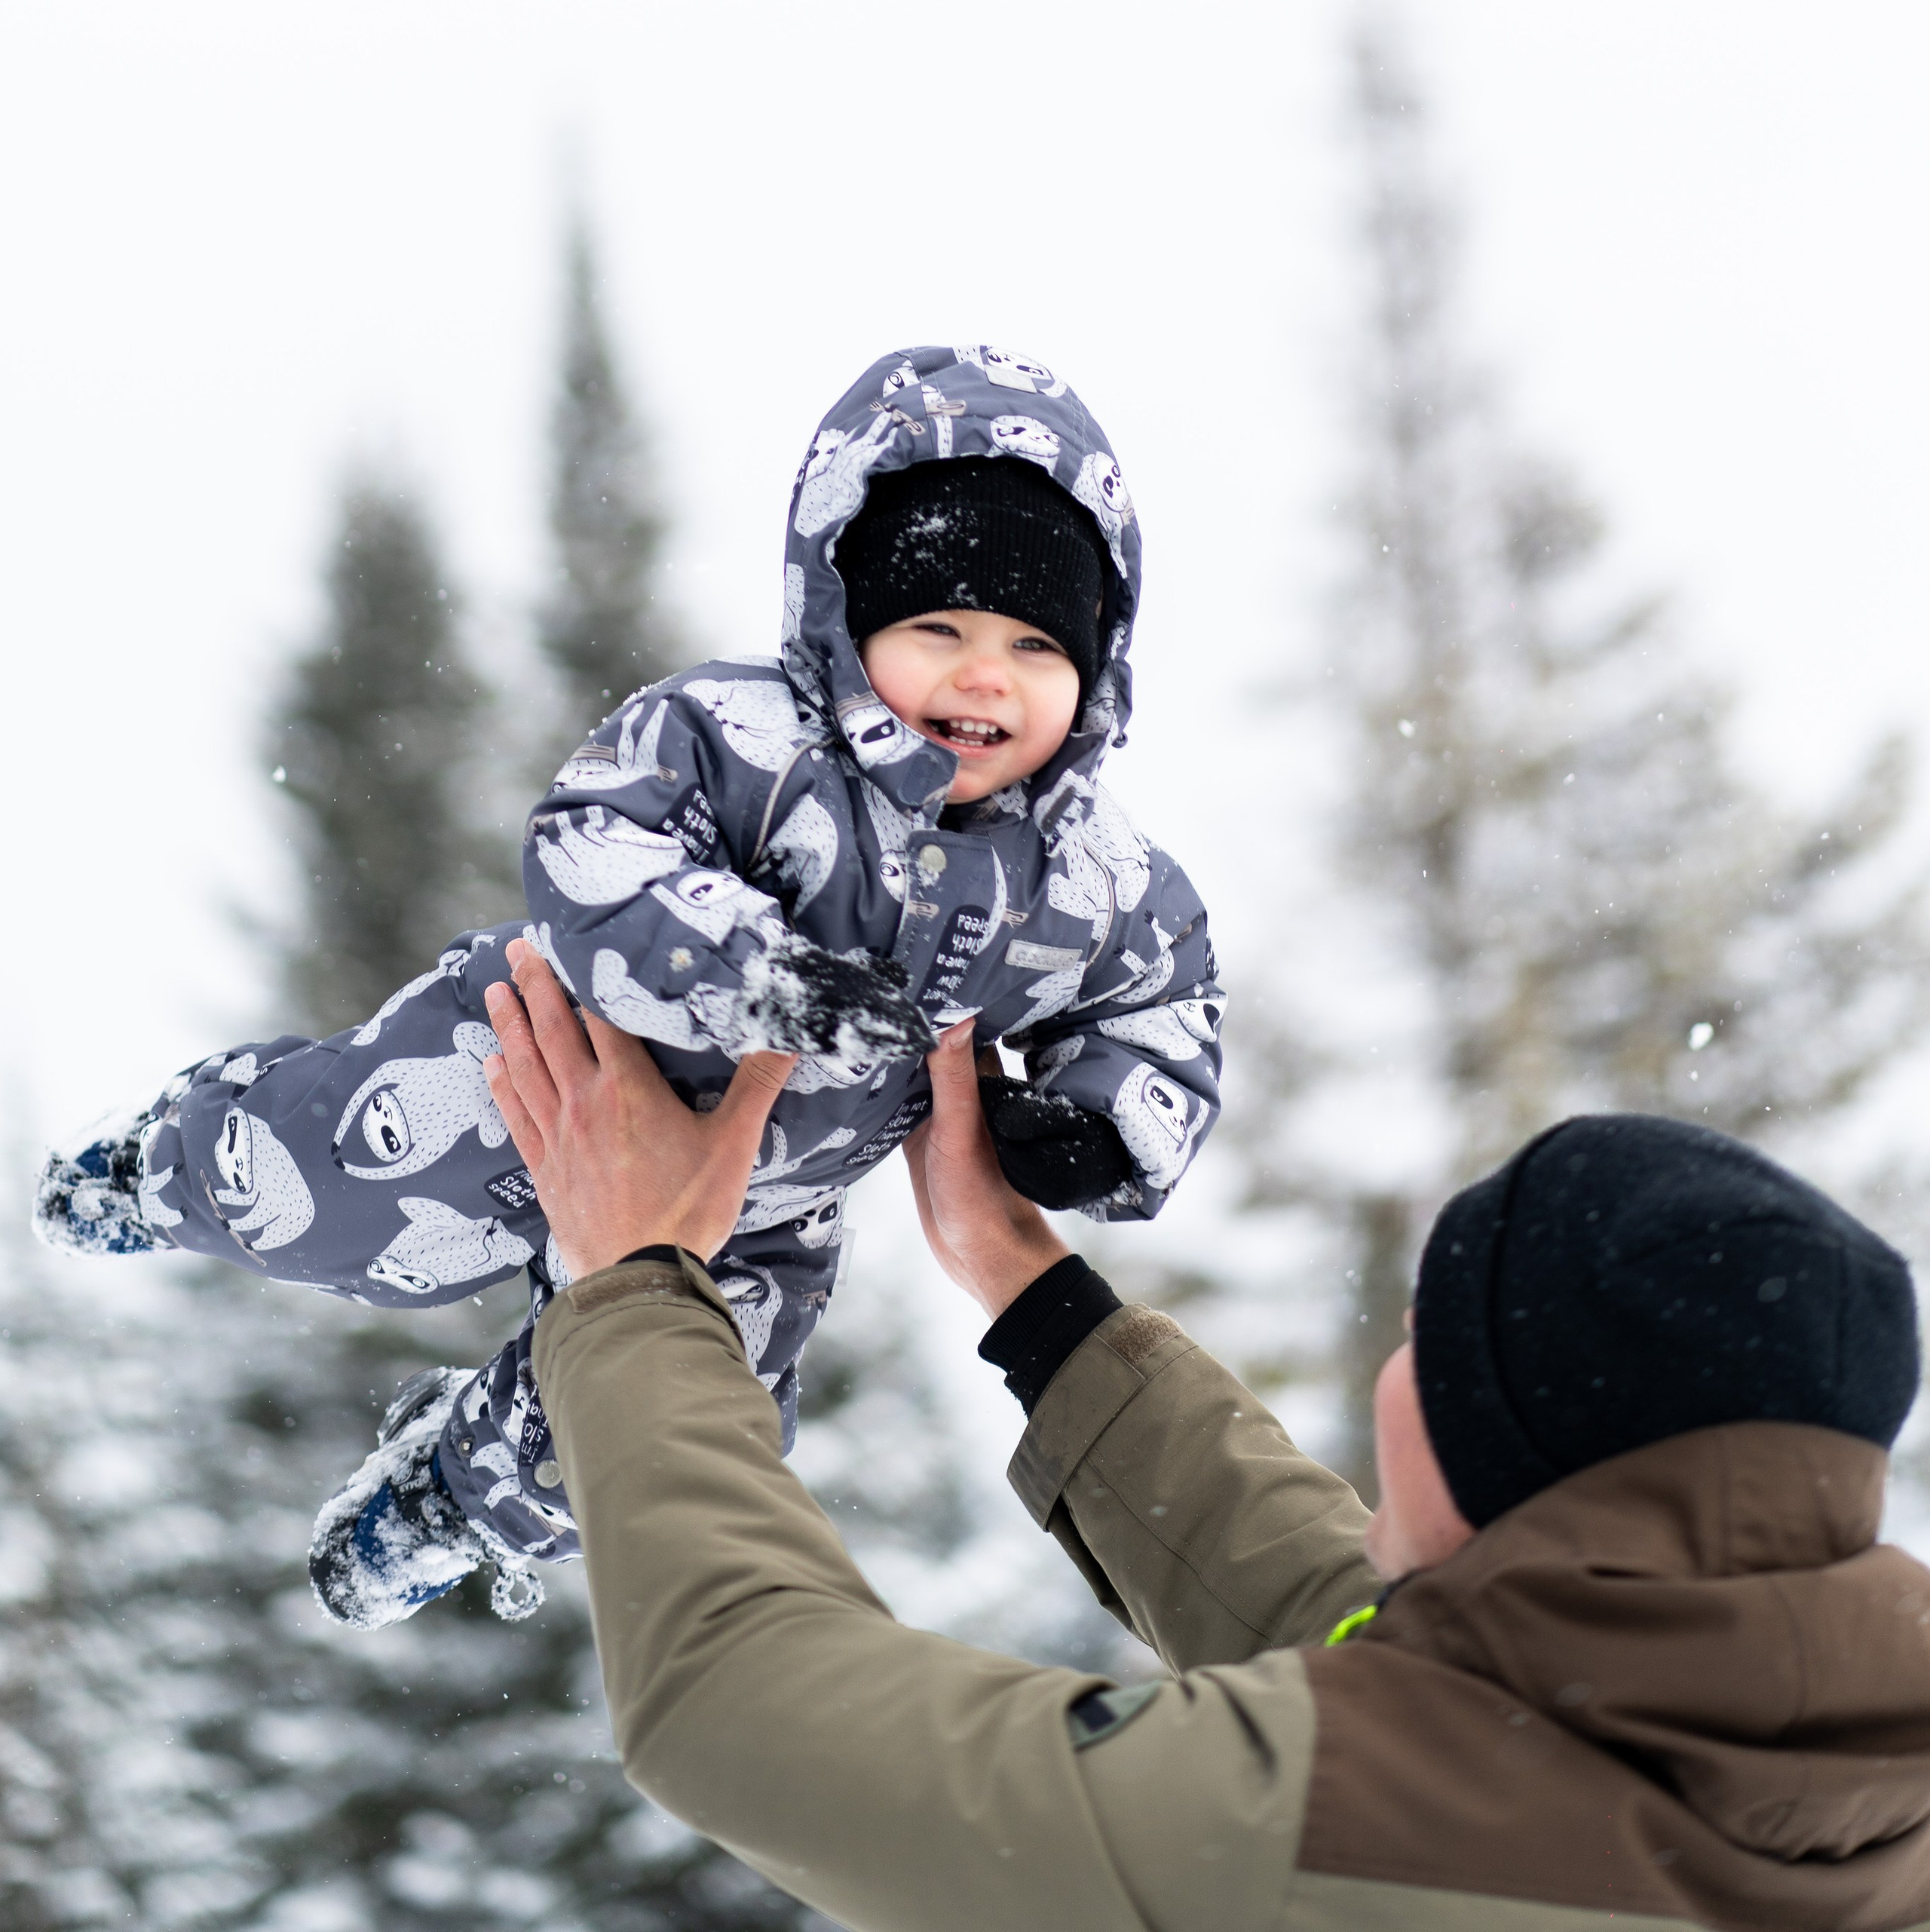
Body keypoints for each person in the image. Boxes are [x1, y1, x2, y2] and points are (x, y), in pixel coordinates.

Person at [33, 345, 1223, 1630]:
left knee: (668, 1430)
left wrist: (1097, 1127)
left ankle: (448, 1499)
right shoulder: (742, 739)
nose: (984, 674)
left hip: (767, 1206)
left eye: (1035, 644)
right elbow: (595, 840)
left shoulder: (1093, 877)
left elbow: (1166, 1003)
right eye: (938, 629)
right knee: (323, 1194)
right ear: (850, 621)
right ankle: (168, 1163)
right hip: (550, 1071)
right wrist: (756, 975)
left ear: (1095, 668)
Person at [482, 944, 1930, 1932]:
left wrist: (635, 1277)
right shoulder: (1836, 1780)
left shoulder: (1313, 1835)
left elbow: (744, 1705)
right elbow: (1382, 1650)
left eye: (1430, 1344)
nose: (1395, 1366)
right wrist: (1030, 1291)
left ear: (1505, 1445)